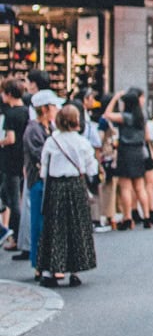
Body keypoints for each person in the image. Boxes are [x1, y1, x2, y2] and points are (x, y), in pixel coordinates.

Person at [36, 104, 97, 286]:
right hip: (76, 185)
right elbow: (90, 167)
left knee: (55, 226)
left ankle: (51, 270)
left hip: (56, 186)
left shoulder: (52, 142)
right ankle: (75, 271)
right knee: (76, 226)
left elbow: (44, 169)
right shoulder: (82, 142)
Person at [103, 88, 153, 231]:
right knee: (140, 187)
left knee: (126, 187)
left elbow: (107, 115)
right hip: (138, 152)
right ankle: (146, 217)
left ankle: (128, 218)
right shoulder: (141, 117)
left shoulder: (125, 117)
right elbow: (147, 137)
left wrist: (115, 98)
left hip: (125, 152)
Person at [24, 89, 61, 270]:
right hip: (38, 180)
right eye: (53, 106)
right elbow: (39, 156)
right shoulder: (33, 129)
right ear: (45, 108)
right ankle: (39, 263)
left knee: (48, 222)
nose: (56, 109)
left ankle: (48, 261)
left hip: (50, 179)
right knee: (38, 222)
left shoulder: (51, 128)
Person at [0, 76, 29, 250]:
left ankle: (16, 236)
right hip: (22, 159)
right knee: (11, 195)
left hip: (9, 160)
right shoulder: (26, 111)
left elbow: (10, 138)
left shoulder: (10, 114)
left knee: (12, 200)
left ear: (9, 94)